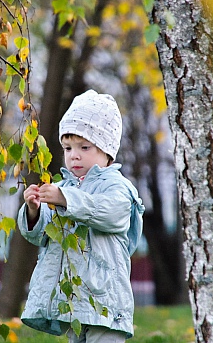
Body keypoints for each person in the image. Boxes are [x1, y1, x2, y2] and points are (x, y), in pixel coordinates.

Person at [17, 89, 145, 342]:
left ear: (106, 150)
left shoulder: (116, 186)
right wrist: (34, 210)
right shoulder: (65, 188)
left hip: (104, 299)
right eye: (67, 147)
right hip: (74, 300)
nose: (74, 154)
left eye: (84, 147)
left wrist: (65, 199)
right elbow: (44, 234)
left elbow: (112, 213)